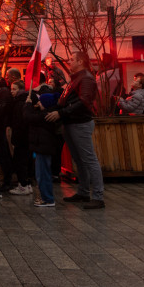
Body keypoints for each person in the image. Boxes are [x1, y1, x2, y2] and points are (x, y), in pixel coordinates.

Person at [47, 51, 105, 209]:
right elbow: (66, 100)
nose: (69, 61)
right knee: (80, 160)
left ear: (80, 61)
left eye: (72, 59)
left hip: (80, 123)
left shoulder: (85, 78)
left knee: (89, 159)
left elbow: (84, 101)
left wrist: (60, 112)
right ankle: (84, 192)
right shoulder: (77, 79)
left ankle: (98, 196)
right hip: (71, 122)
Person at [24, 90, 60, 207]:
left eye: (40, 101)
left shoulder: (46, 115)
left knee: (43, 174)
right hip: (42, 147)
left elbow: (29, 117)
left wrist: (28, 104)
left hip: (43, 148)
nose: (38, 103)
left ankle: (47, 199)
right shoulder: (46, 113)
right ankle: (46, 197)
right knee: (42, 173)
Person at [7, 79, 33, 195]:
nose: (11, 91)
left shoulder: (19, 103)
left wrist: (15, 137)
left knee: (20, 161)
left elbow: (18, 122)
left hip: (21, 137)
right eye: (11, 89)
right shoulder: (24, 101)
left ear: (20, 90)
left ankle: (23, 185)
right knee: (24, 161)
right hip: (25, 137)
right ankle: (26, 184)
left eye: (14, 89)